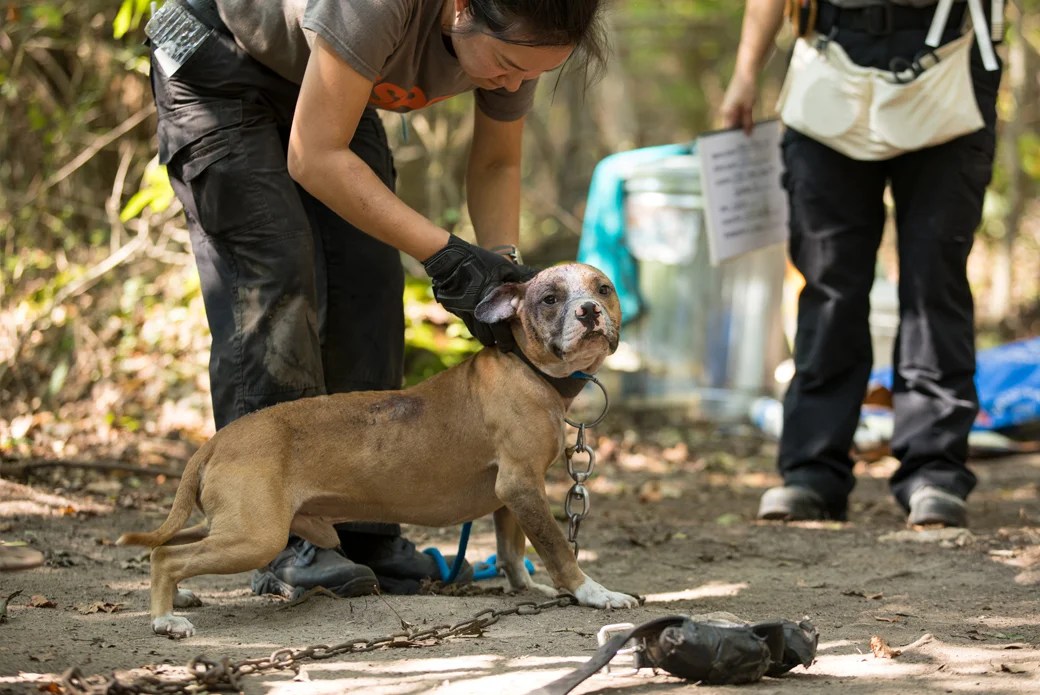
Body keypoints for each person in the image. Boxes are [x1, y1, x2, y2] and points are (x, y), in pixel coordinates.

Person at [144, 0, 607, 596]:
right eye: (509, 65)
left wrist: (502, 272)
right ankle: (283, 537)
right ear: (462, 8)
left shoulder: (523, 35)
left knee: (370, 280)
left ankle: (365, 529)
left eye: (535, 74)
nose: (515, 85)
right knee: (276, 271)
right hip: (218, 57)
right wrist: (446, 254)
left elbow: (497, 162)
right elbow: (314, 154)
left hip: (330, 77)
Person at [720, 0, 1003, 526]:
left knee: (934, 280)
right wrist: (745, 73)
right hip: (829, 64)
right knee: (828, 284)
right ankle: (812, 473)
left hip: (950, 57)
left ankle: (935, 472)